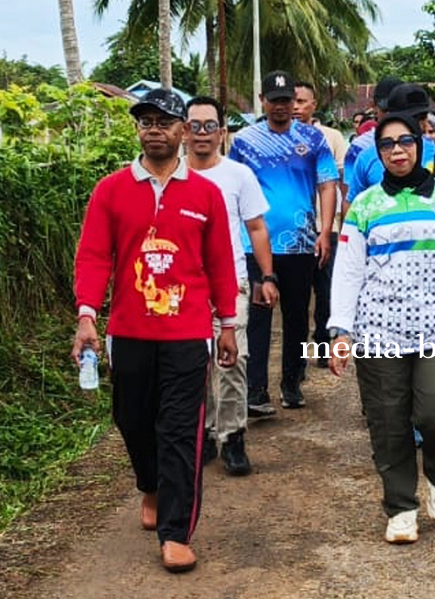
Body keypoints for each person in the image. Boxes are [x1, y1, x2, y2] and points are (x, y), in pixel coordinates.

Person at [71, 89, 239, 572]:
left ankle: (175, 531)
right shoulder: (111, 190)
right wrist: (87, 315)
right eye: (146, 121)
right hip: (129, 331)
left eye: (165, 121)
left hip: (188, 334)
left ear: (183, 130)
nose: (154, 129)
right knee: (133, 419)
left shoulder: (205, 194)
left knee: (180, 431)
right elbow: (95, 255)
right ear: (138, 130)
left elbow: (219, 263)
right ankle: (149, 482)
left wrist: (227, 323)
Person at [327, 111, 435, 544]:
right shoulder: (365, 206)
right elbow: (347, 271)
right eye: (387, 144)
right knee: (388, 420)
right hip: (378, 328)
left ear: (420, 144)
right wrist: (339, 330)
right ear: (378, 152)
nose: (397, 150)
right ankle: (400, 507)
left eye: (405, 141)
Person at [229, 70, 339, 414]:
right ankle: (256, 391)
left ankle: (292, 382)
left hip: (301, 243)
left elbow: (326, 185)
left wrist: (324, 232)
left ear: (295, 102)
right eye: (274, 100)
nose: (281, 106)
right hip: (254, 245)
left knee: (296, 317)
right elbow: (232, 187)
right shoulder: (244, 141)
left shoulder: (314, 140)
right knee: (259, 317)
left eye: (286, 100)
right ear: (263, 101)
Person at [184, 96, 278, 476]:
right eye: (195, 125)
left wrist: (266, 277)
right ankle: (203, 434)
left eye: (210, 126)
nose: (202, 133)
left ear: (223, 133)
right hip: (184, 288)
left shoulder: (239, 175)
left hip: (231, 283)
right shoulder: (171, 175)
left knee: (233, 360)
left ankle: (233, 437)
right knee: (194, 364)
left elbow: (256, 227)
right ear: (184, 130)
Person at [294, 81, 349, 369]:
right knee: (298, 297)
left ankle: (324, 344)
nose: (295, 107)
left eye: (302, 101)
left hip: (328, 227)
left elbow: (341, 183)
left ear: (314, 105)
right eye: (292, 101)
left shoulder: (332, 137)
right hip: (294, 233)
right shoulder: (276, 138)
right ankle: (297, 359)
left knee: (327, 292)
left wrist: (340, 224)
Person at [346, 83, 435, 203]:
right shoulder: (367, 158)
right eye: (410, 117)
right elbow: (352, 205)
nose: (416, 123)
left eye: (421, 117)